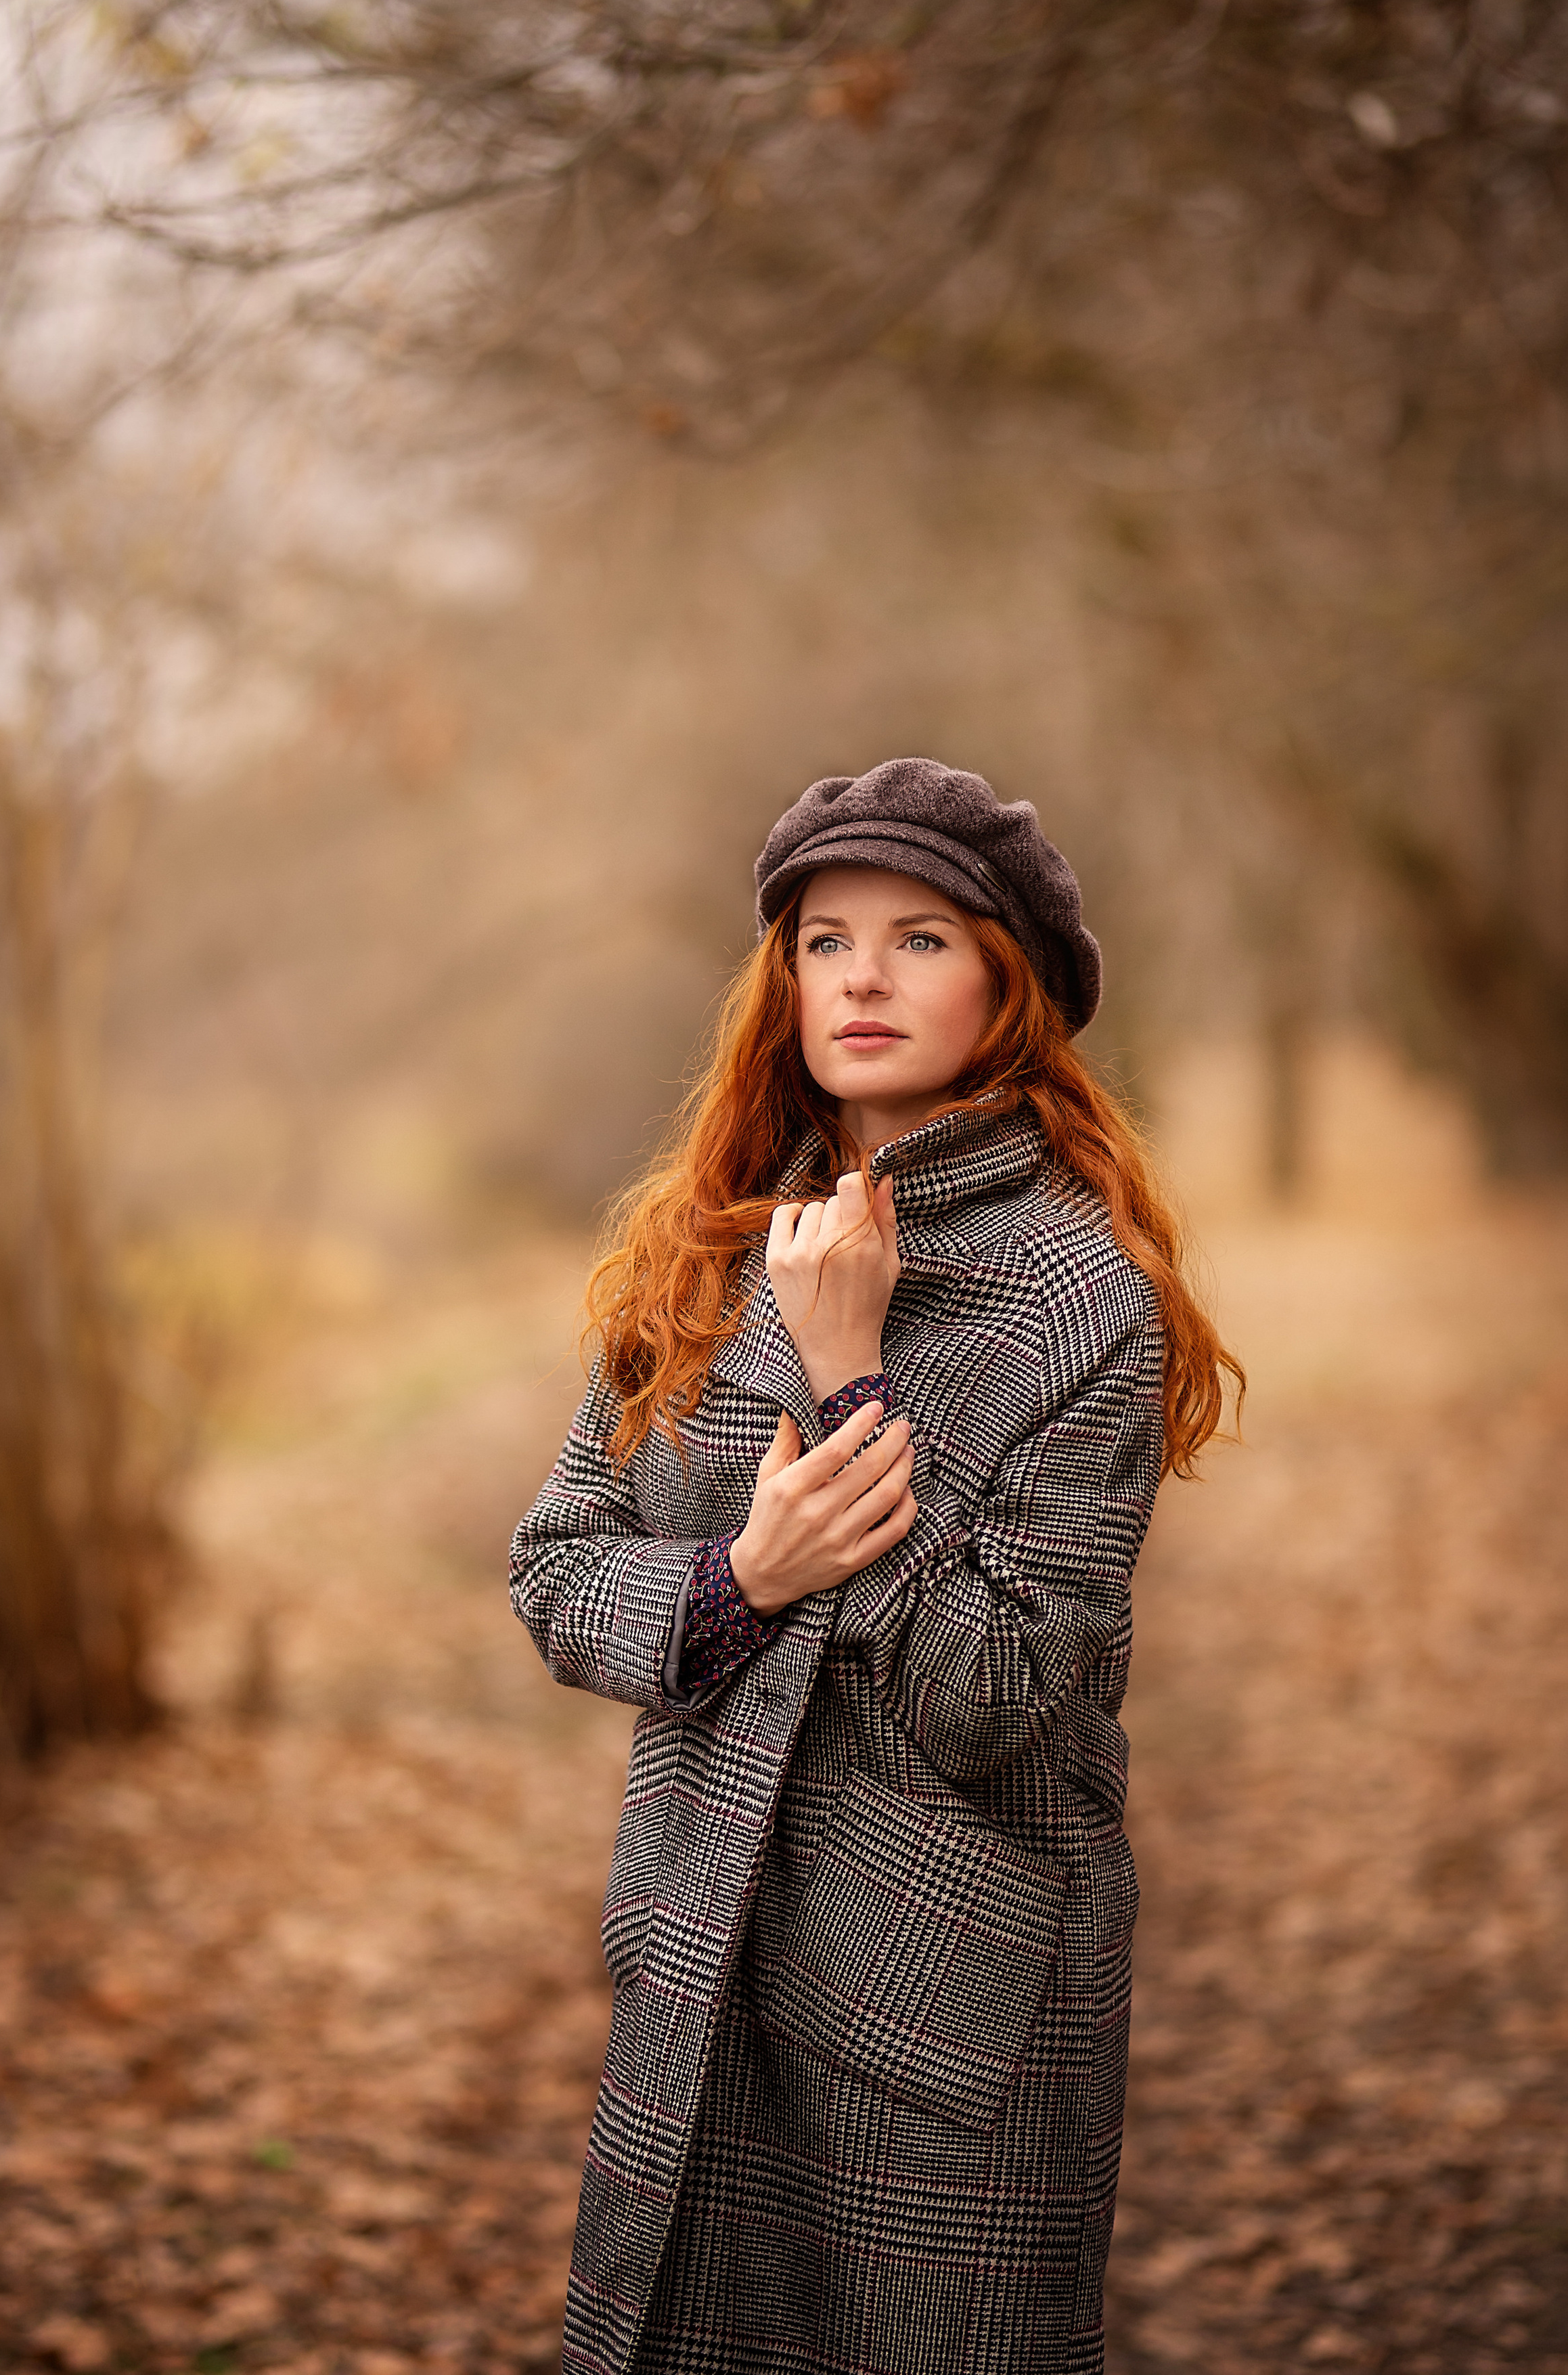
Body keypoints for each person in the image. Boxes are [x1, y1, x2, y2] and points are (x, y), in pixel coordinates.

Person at [510, 757, 1241, 2375]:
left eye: (918, 938)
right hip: (702, 1955)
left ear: (1003, 982)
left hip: (946, 1994)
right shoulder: (698, 1250)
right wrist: (733, 1585)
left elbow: (995, 1697)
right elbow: (557, 1571)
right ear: (780, 983)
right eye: (824, 938)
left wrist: (850, 1377)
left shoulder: (1079, 1298)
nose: (859, 974)